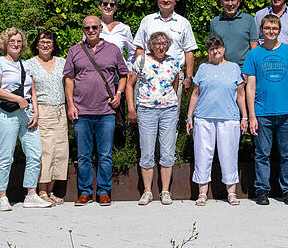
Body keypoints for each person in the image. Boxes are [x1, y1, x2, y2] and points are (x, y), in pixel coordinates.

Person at [64, 15, 129, 206]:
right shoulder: (75, 50)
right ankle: (84, 192)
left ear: (101, 28)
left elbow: (124, 74)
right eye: (87, 28)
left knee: (105, 154)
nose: (91, 31)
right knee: (83, 155)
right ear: (82, 30)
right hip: (81, 111)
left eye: (94, 27)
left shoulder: (113, 50)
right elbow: (69, 78)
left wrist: (119, 94)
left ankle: (103, 192)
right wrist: (70, 104)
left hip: (106, 110)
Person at [242, 14, 288, 205]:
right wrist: (252, 115)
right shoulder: (254, 54)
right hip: (262, 113)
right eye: (268, 28)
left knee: (287, 154)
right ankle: (262, 190)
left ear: (279, 30)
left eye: (275, 28)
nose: (271, 31)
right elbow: (250, 86)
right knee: (262, 154)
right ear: (261, 30)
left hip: (287, 112)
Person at [0, 27, 50, 211]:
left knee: (35, 153)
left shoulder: (26, 65)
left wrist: (36, 112)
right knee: (6, 156)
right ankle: (2, 196)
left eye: (19, 41)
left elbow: (32, 91)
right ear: (5, 44)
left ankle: (31, 194)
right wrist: (17, 99)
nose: (16, 44)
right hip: (5, 114)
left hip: (27, 113)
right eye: (12, 41)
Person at [186, 34, 247, 206]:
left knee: (229, 154)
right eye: (211, 48)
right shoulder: (203, 68)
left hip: (229, 118)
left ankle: (232, 193)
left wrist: (245, 117)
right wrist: (189, 117)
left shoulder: (234, 68)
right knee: (202, 154)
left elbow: (241, 95)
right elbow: (195, 94)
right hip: (203, 118)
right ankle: (202, 193)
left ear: (224, 48)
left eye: (218, 47)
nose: (215, 51)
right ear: (208, 51)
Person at [127, 31, 181, 205]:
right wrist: (131, 108)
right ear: (151, 45)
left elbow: (175, 83)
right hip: (146, 110)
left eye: (164, 44)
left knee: (167, 151)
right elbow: (130, 84)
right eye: (157, 44)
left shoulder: (173, 62)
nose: (160, 47)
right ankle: (147, 191)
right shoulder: (142, 60)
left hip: (169, 111)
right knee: (147, 151)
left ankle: (165, 191)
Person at [24, 31, 68, 206]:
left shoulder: (62, 62)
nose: (46, 45)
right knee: (46, 152)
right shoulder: (30, 64)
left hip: (61, 110)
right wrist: (33, 112)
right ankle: (41, 190)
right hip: (41, 110)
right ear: (36, 44)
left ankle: (51, 191)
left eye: (49, 42)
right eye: (42, 42)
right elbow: (29, 90)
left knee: (60, 152)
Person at [134, 0, 198, 95]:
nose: (166, 0)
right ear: (157, 0)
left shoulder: (183, 23)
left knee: (172, 110)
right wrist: (139, 71)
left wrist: (189, 77)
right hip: (148, 75)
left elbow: (189, 51)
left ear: (175, 0)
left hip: (175, 76)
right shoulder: (147, 21)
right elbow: (140, 48)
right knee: (147, 108)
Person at [209, 0, 259, 67]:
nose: (230, 3)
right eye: (227, 0)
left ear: (238, 2)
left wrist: (251, 69)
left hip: (243, 69)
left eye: (233, 0)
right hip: (221, 68)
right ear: (221, 2)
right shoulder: (215, 22)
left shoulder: (249, 19)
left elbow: (254, 46)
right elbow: (211, 48)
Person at [97, 0, 136, 68]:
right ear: (100, 6)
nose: (108, 7)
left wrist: (129, 68)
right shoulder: (92, 27)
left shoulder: (124, 28)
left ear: (115, 8)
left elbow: (132, 51)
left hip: (118, 72)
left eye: (112, 4)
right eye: (105, 4)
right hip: (98, 71)